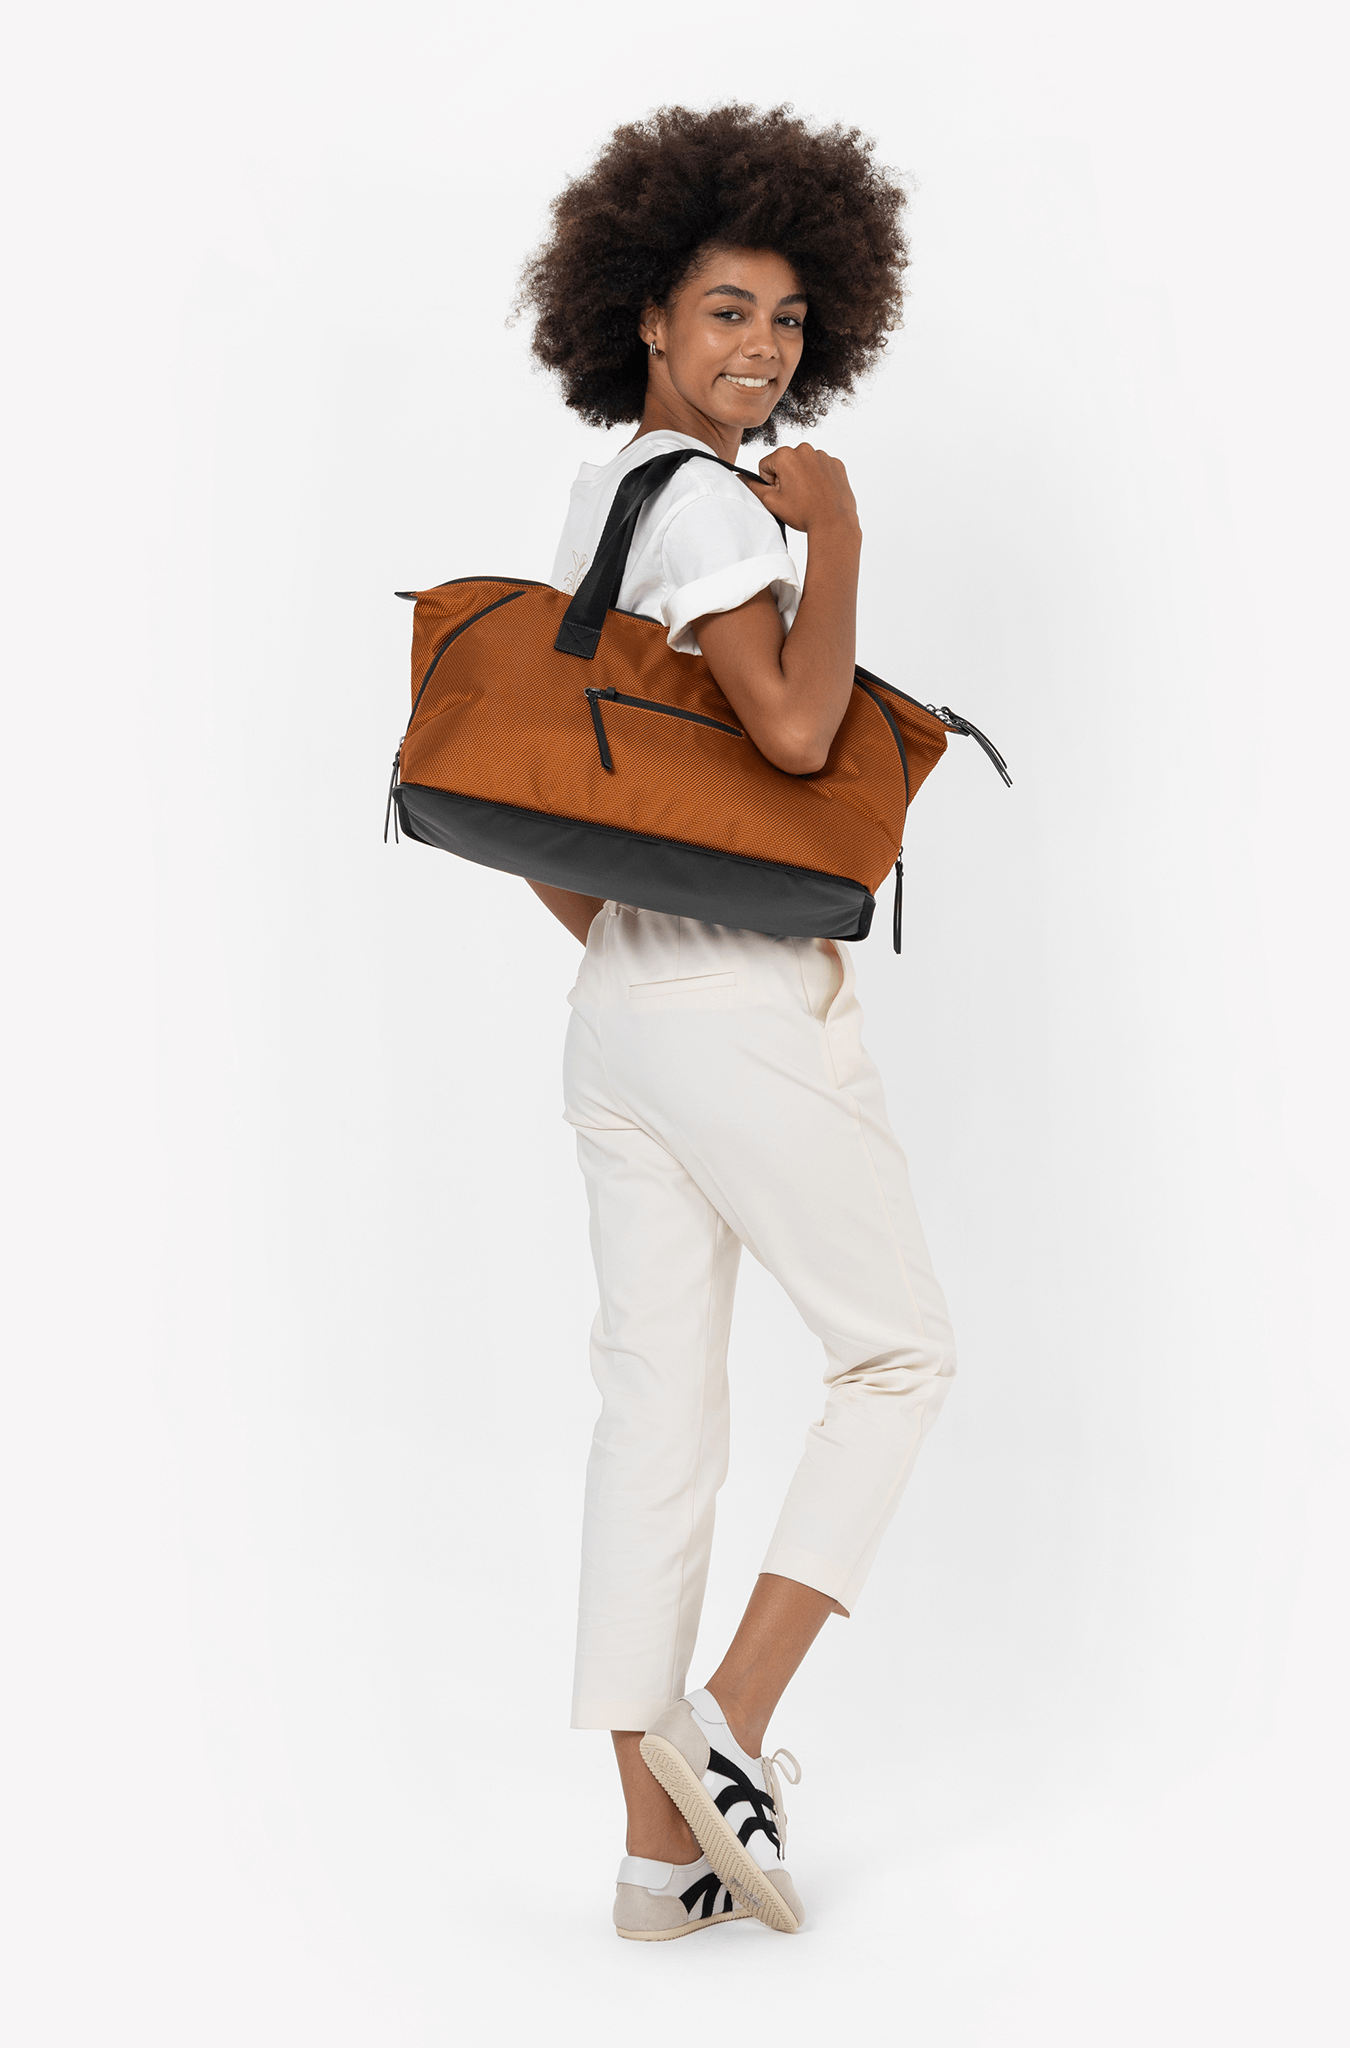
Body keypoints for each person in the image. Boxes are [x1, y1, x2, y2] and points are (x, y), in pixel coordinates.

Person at [515, 104, 956, 1941]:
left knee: (654, 1419)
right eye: (723, 312)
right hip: (730, 1002)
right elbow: (789, 731)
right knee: (896, 1358)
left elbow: (557, 804)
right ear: (642, 314)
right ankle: (728, 1723)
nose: (760, 350)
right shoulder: (709, 502)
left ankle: (653, 1862)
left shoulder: (602, 502)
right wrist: (835, 534)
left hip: (614, 1003)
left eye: (784, 319)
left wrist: (631, 957)